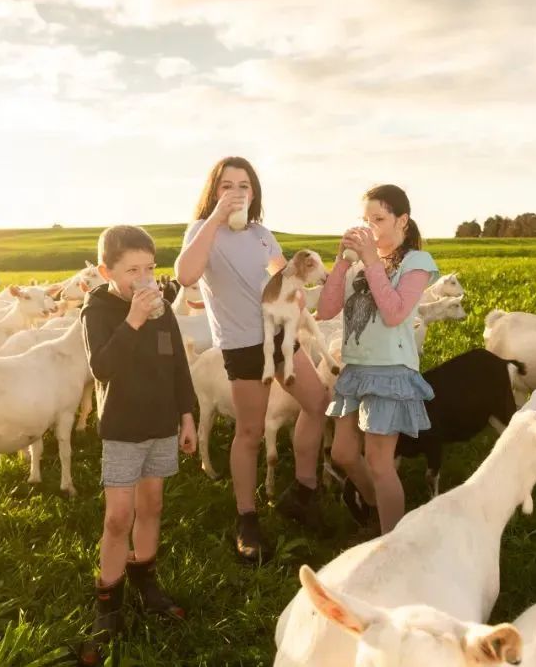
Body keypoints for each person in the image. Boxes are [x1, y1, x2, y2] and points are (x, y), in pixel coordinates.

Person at [174, 156, 328, 562]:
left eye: (244, 185)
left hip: (280, 338)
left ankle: (304, 491)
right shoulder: (201, 232)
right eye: (227, 185)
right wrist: (214, 219)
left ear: (254, 191)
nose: (237, 192)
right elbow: (186, 275)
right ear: (214, 191)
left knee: (317, 403)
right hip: (243, 345)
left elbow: (279, 272)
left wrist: (293, 281)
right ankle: (247, 520)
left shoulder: (261, 234)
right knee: (250, 432)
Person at [77, 225, 198, 664]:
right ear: (107, 271)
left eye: (150, 268)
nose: (144, 279)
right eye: (133, 271)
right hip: (124, 429)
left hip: (162, 424)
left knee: (152, 506)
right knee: (118, 517)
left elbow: (179, 365)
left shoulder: (162, 309)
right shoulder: (98, 310)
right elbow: (103, 367)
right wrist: (134, 320)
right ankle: (107, 605)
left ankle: (145, 579)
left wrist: (187, 415)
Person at [316, 184, 439, 535]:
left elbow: (396, 313)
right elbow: (325, 310)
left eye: (379, 219)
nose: (370, 227)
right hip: (356, 369)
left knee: (379, 462)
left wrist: (371, 261)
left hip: (390, 371)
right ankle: (376, 509)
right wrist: (341, 265)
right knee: (341, 453)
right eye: (365, 219)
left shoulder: (416, 262)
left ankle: (392, 543)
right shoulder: (360, 264)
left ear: (403, 220)